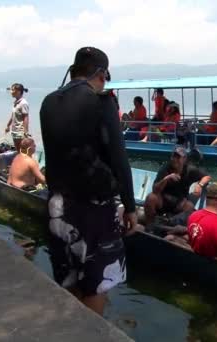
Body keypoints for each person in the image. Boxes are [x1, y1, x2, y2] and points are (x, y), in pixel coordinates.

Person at [40, 47, 137, 316]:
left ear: (72, 72)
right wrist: (130, 207)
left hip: (56, 207)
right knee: (97, 285)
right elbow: (119, 159)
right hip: (94, 210)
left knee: (68, 279)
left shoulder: (48, 102)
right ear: (101, 74)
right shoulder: (102, 102)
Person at [144, 146, 211, 224]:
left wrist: (200, 185)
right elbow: (155, 190)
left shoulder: (189, 170)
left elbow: (207, 176)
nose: (174, 159)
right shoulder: (165, 168)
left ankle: (174, 226)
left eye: (178, 157)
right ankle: (149, 226)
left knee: (189, 206)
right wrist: (166, 179)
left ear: (184, 159)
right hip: (163, 201)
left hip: (179, 202)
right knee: (151, 198)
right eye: (173, 156)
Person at [4, 83, 30, 152]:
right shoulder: (16, 102)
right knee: (18, 150)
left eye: (12, 90)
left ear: (18, 91)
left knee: (21, 151)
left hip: (19, 132)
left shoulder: (23, 103)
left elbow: (26, 118)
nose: (11, 92)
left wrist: (25, 132)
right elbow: (13, 115)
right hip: (14, 131)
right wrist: (8, 125)